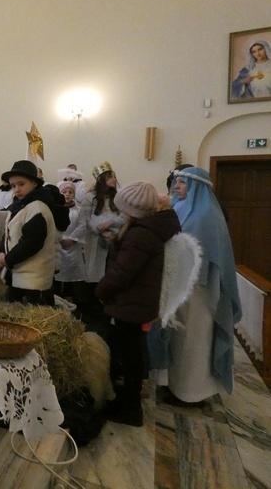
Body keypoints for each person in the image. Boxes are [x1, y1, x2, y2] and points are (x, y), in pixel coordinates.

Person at [153, 167, 243, 406]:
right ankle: (174, 384)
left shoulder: (206, 216)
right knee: (177, 339)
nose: (176, 187)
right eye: (177, 182)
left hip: (200, 291)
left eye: (181, 183)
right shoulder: (181, 207)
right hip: (179, 288)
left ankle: (192, 392)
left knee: (194, 340)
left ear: (196, 187)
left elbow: (201, 260)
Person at [95, 182, 181, 427]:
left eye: (122, 208)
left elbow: (124, 271)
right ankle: (123, 399)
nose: (120, 212)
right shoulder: (146, 228)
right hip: (136, 300)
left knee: (130, 355)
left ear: (133, 210)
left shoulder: (141, 233)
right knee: (126, 350)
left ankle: (131, 410)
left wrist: (101, 291)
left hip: (131, 301)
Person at [66, 162, 123, 337]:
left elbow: (123, 216)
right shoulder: (91, 197)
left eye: (114, 176)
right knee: (93, 272)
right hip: (95, 241)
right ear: (102, 179)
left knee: (109, 272)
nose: (114, 179)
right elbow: (86, 218)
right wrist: (100, 230)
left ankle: (105, 311)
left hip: (114, 239)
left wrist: (112, 226)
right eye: (111, 176)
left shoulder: (118, 197)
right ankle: (90, 312)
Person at [0, 160, 57, 307]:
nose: (17, 190)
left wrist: (8, 259)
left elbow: (31, 242)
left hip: (34, 281)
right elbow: (9, 232)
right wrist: (1, 252)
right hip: (20, 276)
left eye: (21, 184)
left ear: (34, 183)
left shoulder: (37, 208)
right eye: (13, 186)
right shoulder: (21, 207)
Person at [54, 182, 84, 299]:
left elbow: (82, 226)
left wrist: (72, 238)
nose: (67, 195)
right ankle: (56, 298)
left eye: (70, 192)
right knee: (57, 273)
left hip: (73, 245)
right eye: (64, 192)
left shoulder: (79, 210)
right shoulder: (56, 210)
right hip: (59, 245)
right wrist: (61, 240)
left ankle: (70, 297)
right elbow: (54, 226)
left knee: (71, 275)